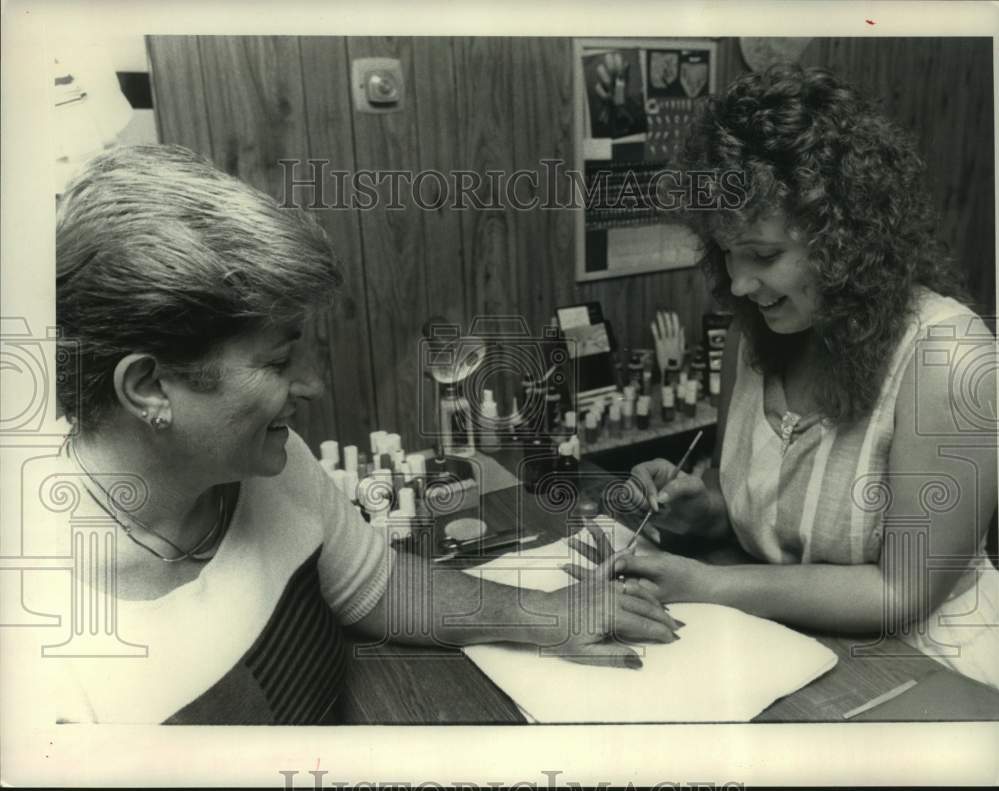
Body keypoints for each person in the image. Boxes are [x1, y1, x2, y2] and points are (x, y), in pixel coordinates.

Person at [16, 144, 679, 725]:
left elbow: (376, 584)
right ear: (148, 388)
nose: (312, 386)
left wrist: (549, 614)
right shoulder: (36, 631)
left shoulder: (272, 464)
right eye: (278, 362)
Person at [618, 65, 999, 689]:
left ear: (845, 238)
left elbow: (902, 592)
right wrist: (705, 511)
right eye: (726, 253)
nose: (739, 284)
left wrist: (710, 585)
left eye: (764, 256)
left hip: (932, 672)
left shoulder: (947, 357)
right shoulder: (757, 333)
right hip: (787, 652)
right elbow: (773, 517)